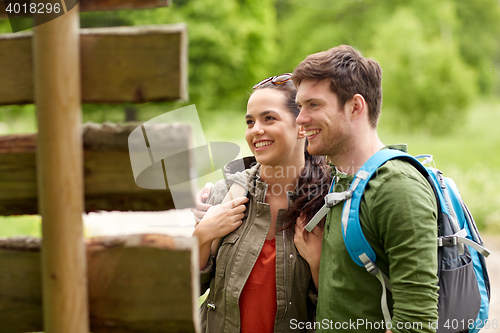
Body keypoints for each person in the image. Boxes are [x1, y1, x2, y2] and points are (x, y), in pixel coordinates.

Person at [292, 45, 439, 333]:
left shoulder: (397, 187)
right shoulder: (343, 180)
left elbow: (417, 324)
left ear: (355, 107)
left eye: (314, 105)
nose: (300, 119)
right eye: (300, 106)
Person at [192, 73, 331, 333]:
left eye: (269, 118)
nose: (256, 130)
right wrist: (201, 236)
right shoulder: (225, 194)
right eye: (250, 121)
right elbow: (188, 291)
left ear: (302, 125)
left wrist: (317, 264)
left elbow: (339, 312)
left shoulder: (327, 204)